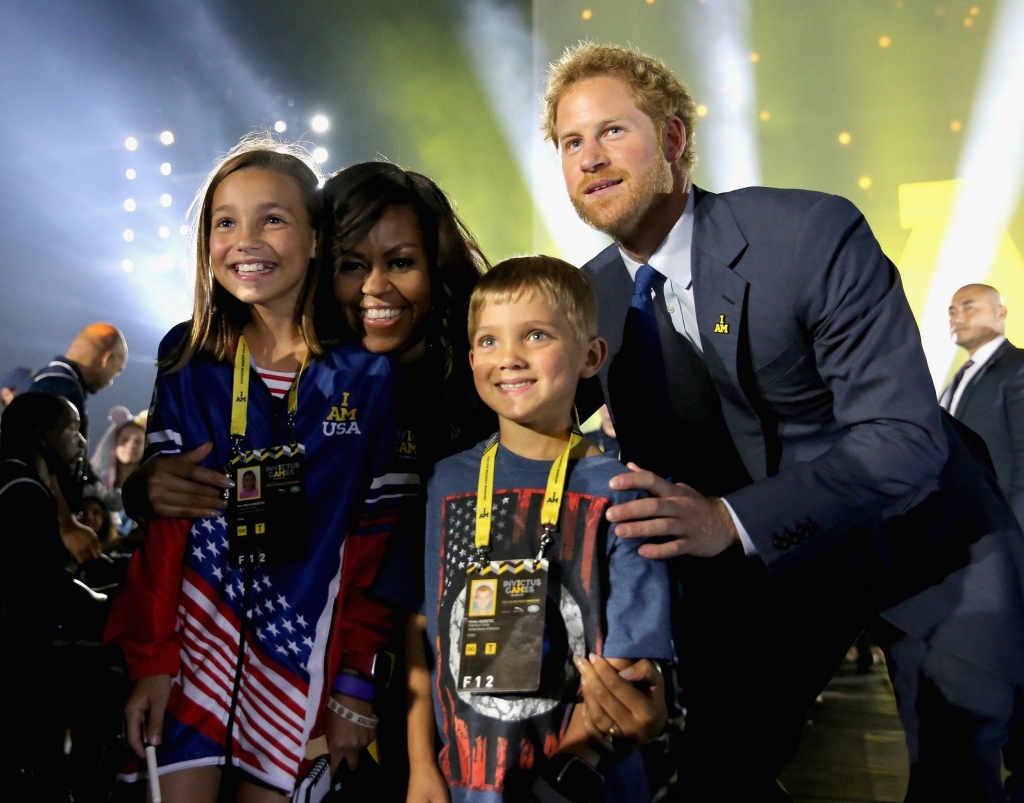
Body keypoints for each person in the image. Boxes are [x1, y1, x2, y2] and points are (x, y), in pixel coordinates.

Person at [545, 43, 1024, 801]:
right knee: (717, 773)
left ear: (673, 140)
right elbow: (526, 430)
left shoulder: (809, 234)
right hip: (776, 572)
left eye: (612, 131)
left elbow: (904, 440)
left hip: (928, 539)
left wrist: (728, 517)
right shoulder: (585, 300)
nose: (590, 158)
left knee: (958, 767)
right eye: (571, 142)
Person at [104, 137, 411, 801]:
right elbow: (165, 530)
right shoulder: (187, 357)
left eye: (272, 218)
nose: (246, 239)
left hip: (300, 666)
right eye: (225, 221)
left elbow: (372, 549)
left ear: (317, 239)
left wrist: (356, 682)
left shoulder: (369, 376)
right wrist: (152, 658)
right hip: (190, 656)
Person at [403, 256, 673, 803]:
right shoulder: (442, 481)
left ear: (591, 355)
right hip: (460, 783)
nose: (509, 358)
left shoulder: (624, 488)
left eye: (535, 335)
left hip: (580, 784)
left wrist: (567, 769)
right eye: (488, 341)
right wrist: (420, 768)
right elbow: (417, 629)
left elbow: (631, 658)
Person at [0, 392, 108, 801]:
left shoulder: (13, 480)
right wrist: (106, 603)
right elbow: (39, 589)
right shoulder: (23, 492)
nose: (80, 441)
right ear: (41, 437)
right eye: (72, 429)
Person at [944, 284, 1024, 525]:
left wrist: (1015, 525)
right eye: (952, 311)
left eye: (969, 308)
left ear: (1001, 313)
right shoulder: (960, 377)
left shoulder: (1018, 365)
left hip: (1002, 522)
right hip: (964, 522)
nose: (957, 317)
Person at [22, 323, 128, 445]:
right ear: (107, 359)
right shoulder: (63, 389)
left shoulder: (42, 379)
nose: (110, 382)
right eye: (117, 371)